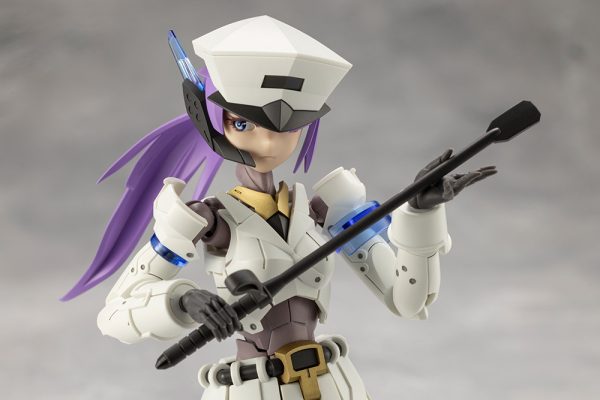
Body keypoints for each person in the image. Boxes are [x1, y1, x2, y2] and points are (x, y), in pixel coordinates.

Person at [63, 15, 495, 400]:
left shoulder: (326, 210)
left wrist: (419, 215)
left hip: (333, 384)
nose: (268, 141)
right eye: (243, 123)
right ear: (211, 121)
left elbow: (408, 300)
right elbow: (115, 314)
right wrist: (183, 300)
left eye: (288, 126)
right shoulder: (207, 220)